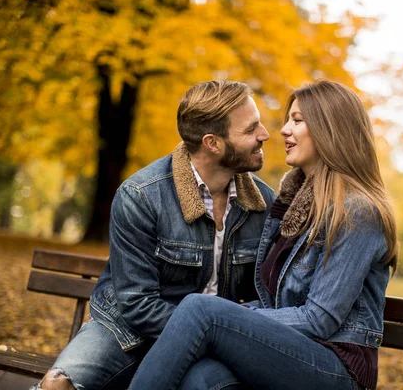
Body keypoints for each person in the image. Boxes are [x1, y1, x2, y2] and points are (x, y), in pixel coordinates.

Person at [128, 80, 399, 390]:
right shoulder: (295, 205)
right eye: (288, 119)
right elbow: (274, 303)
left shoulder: (356, 211)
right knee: (201, 378)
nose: (283, 130)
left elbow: (319, 320)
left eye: (297, 120)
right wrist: (239, 315)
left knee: (200, 309)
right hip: (291, 354)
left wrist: (231, 315)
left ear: (330, 129)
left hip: (338, 367)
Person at [33, 80, 276, 390]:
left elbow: (266, 297)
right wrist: (208, 331)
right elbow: (137, 305)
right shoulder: (141, 196)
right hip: (128, 331)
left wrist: (228, 331)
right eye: (250, 129)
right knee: (58, 386)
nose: (264, 135)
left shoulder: (264, 205)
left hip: (217, 342)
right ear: (212, 143)